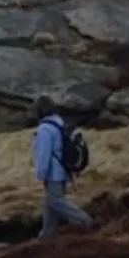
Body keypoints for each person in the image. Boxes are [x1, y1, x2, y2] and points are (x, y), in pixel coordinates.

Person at [32, 97, 91, 241]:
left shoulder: (44, 129)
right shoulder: (60, 122)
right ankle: (46, 235)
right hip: (63, 170)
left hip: (53, 173)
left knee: (55, 200)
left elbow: (43, 153)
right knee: (50, 204)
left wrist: (40, 174)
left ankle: (84, 220)